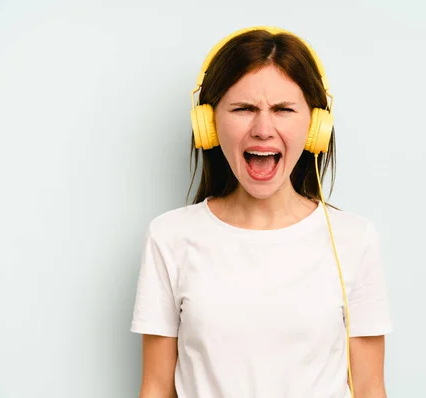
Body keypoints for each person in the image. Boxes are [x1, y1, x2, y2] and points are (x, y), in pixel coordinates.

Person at [130, 26, 393, 398]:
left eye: (283, 109)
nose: (263, 129)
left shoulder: (353, 239)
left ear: (316, 125)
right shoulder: (169, 236)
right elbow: (156, 387)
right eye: (243, 109)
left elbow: (369, 388)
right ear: (209, 124)